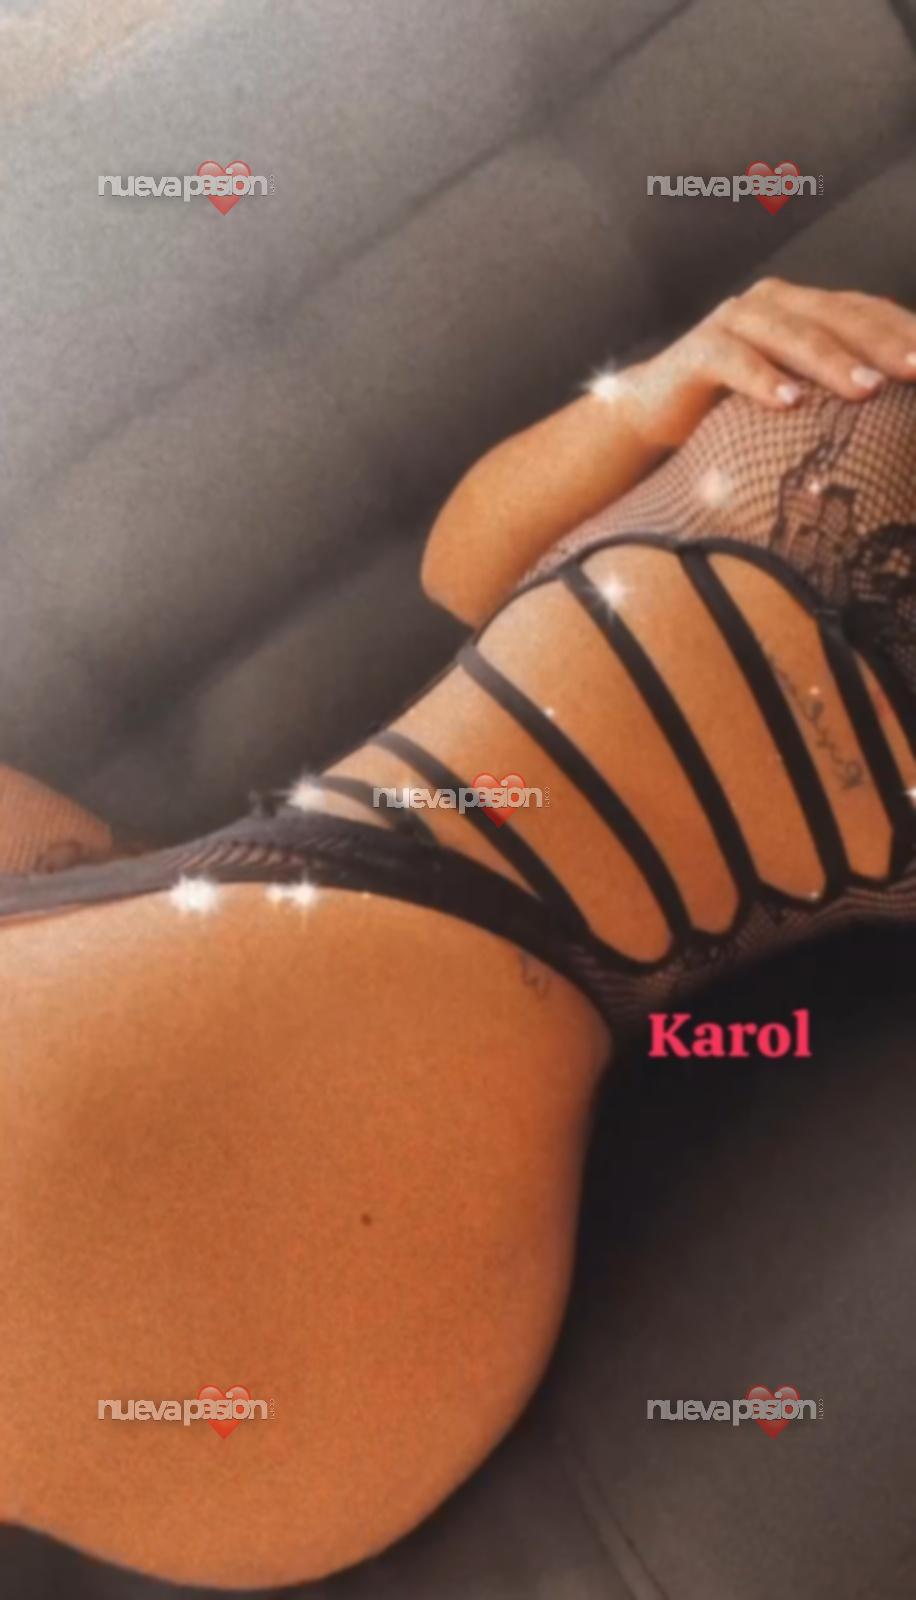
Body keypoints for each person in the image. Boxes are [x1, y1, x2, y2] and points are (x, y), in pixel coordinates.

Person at [1, 278, 914, 1590]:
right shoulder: (828, 384)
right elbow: (460, 570)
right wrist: (639, 397)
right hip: (270, 1311)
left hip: (278, 1411)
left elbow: (468, 578)